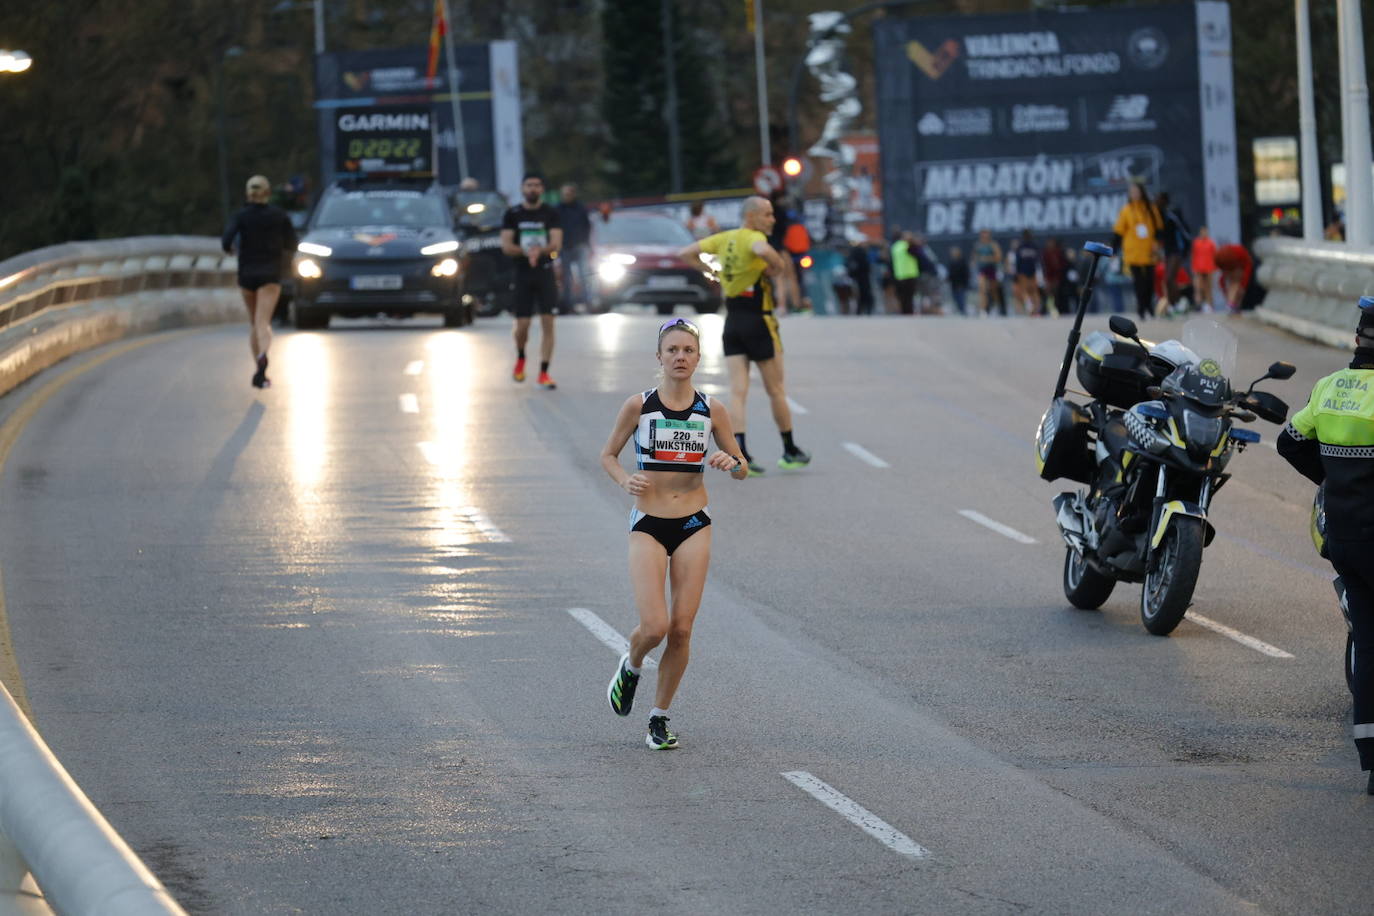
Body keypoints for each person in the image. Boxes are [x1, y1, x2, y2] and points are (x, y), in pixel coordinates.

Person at [600, 318, 749, 750]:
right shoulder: (639, 406)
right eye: (673, 350)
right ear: (660, 357)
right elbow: (608, 455)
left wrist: (731, 463)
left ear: (698, 358)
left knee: (681, 629)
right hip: (648, 522)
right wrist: (624, 480)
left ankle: (658, 719)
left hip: (692, 523)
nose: (680, 357)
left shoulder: (712, 410)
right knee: (655, 626)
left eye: (688, 350)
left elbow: (742, 468)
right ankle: (630, 664)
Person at [1276, 296, 1374, 795]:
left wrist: (1332, 480)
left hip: (1343, 536)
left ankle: (1371, 753)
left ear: (1357, 338)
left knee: (1369, 640)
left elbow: (1289, 441)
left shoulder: (1331, 387)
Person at [679, 196, 811, 474]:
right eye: (767, 214)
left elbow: (686, 253)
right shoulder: (752, 237)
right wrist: (778, 267)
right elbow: (764, 251)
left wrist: (711, 270)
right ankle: (789, 450)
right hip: (759, 321)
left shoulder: (724, 238)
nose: (772, 219)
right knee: (776, 389)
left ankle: (741, 455)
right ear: (751, 217)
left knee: (738, 392)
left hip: (733, 323)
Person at [221, 174, 296, 389]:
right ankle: (263, 356)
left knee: (254, 322)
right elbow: (293, 244)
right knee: (264, 322)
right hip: (270, 275)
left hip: (247, 275)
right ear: (268, 194)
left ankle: (259, 373)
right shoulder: (279, 216)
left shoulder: (240, 216)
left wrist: (231, 249)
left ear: (248, 194)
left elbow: (226, 241)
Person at [501, 173, 563, 388]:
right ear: (522, 188)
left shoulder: (551, 213)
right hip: (522, 272)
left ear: (542, 189)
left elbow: (555, 243)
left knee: (548, 323)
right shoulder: (513, 214)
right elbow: (507, 246)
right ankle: (520, 358)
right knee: (523, 325)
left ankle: (544, 372)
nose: (533, 189)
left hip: (545, 271)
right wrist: (527, 252)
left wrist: (540, 251)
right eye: (529, 185)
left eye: (537, 185)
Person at [1111, 179, 1163, 320]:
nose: (1134, 194)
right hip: (1132, 251)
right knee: (1138, 282)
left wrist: (1157, 244)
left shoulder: (1151, 209)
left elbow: (1158, 229)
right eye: (1132, 192)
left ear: (1142, 192)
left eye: (1136, 191)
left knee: (1150, 281)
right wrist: (1114, 250)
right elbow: (1119, 231)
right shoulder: (1126, 210)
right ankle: (1141, 308)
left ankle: (1149, 306)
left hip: (1149, 250)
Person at [556, 183, 593, 314]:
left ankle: (588, 303)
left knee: (584, 276)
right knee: (566, 277)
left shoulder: (581, 208)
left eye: (568, 194)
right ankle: (567, 305)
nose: (566, 196)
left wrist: (587, 243)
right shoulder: (558, 209)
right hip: (564, 246)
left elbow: (587, 226)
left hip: (579, 245)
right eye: (564, 194)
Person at [1155, 191, 1192, 312]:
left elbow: (1184, 231)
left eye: (1159, 199)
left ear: (1165, 201)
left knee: (1169, 278)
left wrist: (1186, 248)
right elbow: (1158, 234)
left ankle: (1177, 304)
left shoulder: (1172, 214)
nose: (1157, 202)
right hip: (1168, 251)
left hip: (1177, 250)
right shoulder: (1157, 215)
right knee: (1169, 279)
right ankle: (1174, 305)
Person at [1214, 242, 1253, 313]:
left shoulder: (1235, 256)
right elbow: (1222, 280)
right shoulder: (1233, 258)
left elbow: (1222, 280)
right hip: (1235, 260)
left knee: (1235, 285)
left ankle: (1232, 305)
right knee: (1235, 284)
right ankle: (1232, 305)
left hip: (1236, 260)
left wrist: (1225, 292)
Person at [1012, 229, 1043, 316]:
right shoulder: (1033, 246)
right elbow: (1038, 260)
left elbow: (1018, 262)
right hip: (1028, 271)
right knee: (1032, 291)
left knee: (1027, 290)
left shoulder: (1021, 247)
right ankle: (1034, 309)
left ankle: (1033, 308)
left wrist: (1017, 273)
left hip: (1025, 271)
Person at [973, 229, 1003, 316]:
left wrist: (988, 258)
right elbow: (975, 257)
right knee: (982, 289)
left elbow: (999, 257)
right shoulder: (978, 245)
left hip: (992, 269)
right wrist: (976, 261)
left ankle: (996, 307)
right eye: (983, 234)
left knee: (993, 290)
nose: (984, 236)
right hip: (982, 270)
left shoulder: (993, 245)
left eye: (986, 234)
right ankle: (983, 310)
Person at [890, 230, 919, 315]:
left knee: (902, 296)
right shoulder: (908, 245)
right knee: (909, 296)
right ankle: (909, 312)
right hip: (910, 274)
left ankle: (904, 312)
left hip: (899, 274)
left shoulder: (895, 246)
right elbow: (917, 253)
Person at [1191, 225, 1218, 312]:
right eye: (1202, 231)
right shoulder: (1196, 243)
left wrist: (1215, 267)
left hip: (1209, 267)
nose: (1204, 233)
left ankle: (1210, 305)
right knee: (1198, 287)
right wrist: (1194, 267)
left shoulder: (1211, 243)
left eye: (1205, 231)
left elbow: (1215, 255)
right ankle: (1199, 305)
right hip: (1199, 268)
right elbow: (1193, 255)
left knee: (1208, 288)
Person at [846, 240, 875, 315]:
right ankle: (867, 310)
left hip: (856, 277)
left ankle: (859, 311)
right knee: (865, 293)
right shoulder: (860, 252)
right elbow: (865, 265)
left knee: (859, 294)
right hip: (863, 276)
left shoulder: (853, 252)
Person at [946, 246, 970, 316]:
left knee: (961, 297)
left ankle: (963, 311)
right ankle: (960, 310)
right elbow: (950, 273)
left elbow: (966, 273)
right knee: (955, 297)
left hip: (961, 283)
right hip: (954, 283)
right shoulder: (951, 261)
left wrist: (965, 282)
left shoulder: (962, 261)